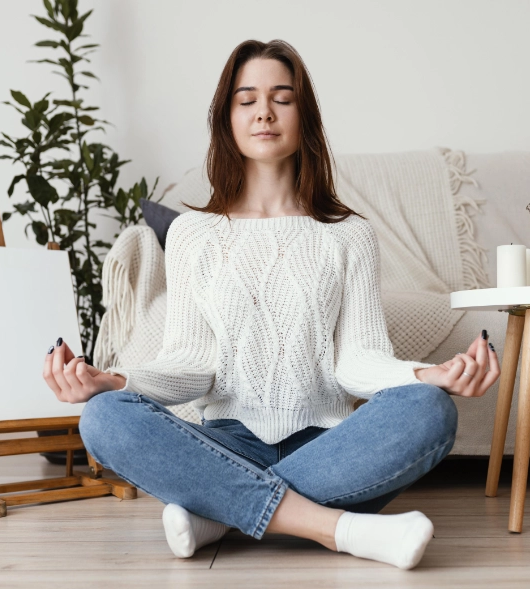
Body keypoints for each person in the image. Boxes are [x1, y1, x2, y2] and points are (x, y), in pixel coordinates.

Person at [42, 39, 500, 571]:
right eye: (247, 99)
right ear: (226, 119)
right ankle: (338, 528)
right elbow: (191, 365)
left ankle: (216, 513)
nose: (264, 111)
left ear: (303, 115)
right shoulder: (194, 234)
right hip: (227, 443)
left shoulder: (349, 235)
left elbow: (358, 362)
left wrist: (429, 374)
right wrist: (113, 381)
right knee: (102, 418)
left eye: (282, 97)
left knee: (430, 409)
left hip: (331, 450)